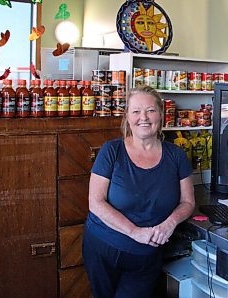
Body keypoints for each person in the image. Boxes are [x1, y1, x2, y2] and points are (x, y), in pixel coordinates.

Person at [82, 86, 195, 298]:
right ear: (128, 117)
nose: (143, 117)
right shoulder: (111, 151)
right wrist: (135, 232)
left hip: (147, 254)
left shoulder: (177, 156)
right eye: (136, 111)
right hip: (103, 247)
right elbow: (95, 202)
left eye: (150, 111)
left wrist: (169, 223)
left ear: (161, 115)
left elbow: (188, 202)